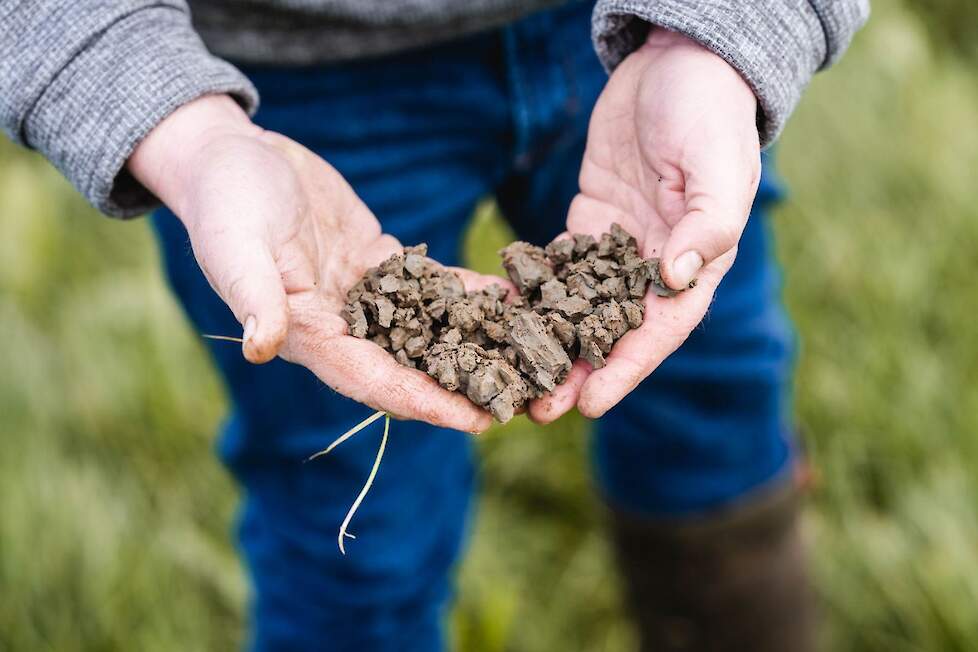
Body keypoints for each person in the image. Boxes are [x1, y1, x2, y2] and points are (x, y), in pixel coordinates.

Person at [1, 1, 868, 650]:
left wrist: (726, 31)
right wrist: (174, 124)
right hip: (277, 84)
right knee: (351, 521)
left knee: (712, 402)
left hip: (645, 29)